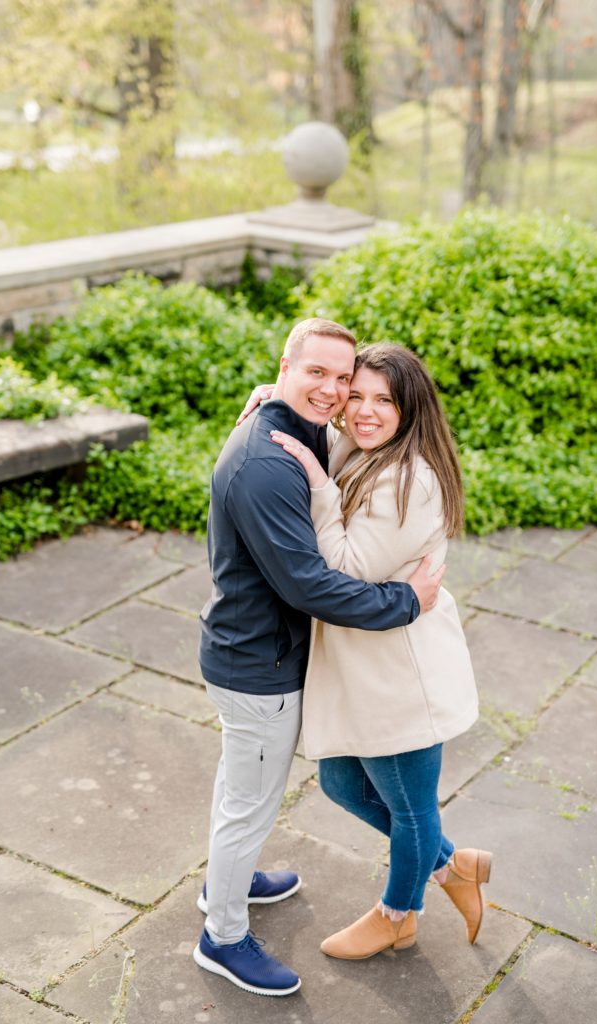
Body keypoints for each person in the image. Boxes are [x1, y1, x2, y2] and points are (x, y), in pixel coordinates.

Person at [194, 319, 445, 997]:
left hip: (254, 653)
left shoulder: (294, 426)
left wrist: (276, 396)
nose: (334, 392)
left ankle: (228, 880)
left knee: (239, 790)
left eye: (343, 378)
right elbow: (309, 585)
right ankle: (222, 935)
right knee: (249, 805)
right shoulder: (266, 464)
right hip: (260, 666)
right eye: (317, 374)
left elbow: (330, 432)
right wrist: (405, 601)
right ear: (285, 366)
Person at [269, 341, 491, 960]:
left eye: (383, 401)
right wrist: (278, 400)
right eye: (356, 395)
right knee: (342, 783)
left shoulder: (412, 481)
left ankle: (398, 915)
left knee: (413, 811)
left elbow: (345, 567)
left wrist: (319, 486)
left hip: (398, 674)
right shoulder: (366, 448)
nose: (363, 411)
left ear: (409, 408)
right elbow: (326, 435)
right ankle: (453, 866)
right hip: (362, 665)